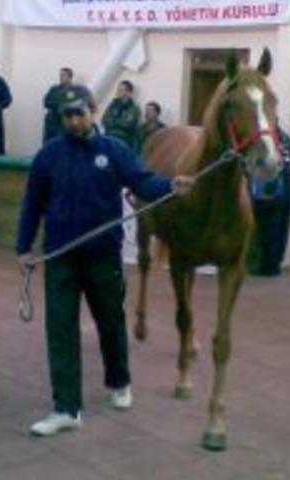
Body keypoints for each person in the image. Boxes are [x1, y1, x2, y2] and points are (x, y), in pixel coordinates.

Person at [15, 96, 195, 437]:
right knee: (60, 332)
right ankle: (67, 408)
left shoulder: (114, 150)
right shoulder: (48, 155)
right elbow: (32, 203)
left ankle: (119, 381)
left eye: (78, 114)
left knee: (110, 323)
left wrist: (171, 185)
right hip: (61, 257)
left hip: (103, 257)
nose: (72, 121)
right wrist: (23, 246)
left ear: (93, 112)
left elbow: (143, 181)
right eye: (66, 115)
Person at [248, 124, 290, 277]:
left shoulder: (282, 138)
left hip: (276, 191)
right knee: (261, 229)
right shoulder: (255, 136)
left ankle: (269, 265)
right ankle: (259, 263)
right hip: (261, 191)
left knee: (274, 229)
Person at [41, 67, 93, 143]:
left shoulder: (79, 90)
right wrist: (59, 106)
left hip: (70, 123)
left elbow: (87, 103)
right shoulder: (54, 89)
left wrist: (67, 108)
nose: (61, 77)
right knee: (49, 144)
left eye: (63, 75)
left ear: (70, 77)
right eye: (60, 75)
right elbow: (46, 102)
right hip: (53, 123)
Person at [102, 79, 141, 152]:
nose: (117, 92)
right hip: (108, 137)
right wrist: (118, 121)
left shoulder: (134, 108)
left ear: (128, 92)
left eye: (121, 90)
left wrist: (113, 120)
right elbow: (104, 120)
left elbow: (127, 125)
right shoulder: (113, 104)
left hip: (122, 141)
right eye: (118, 89)